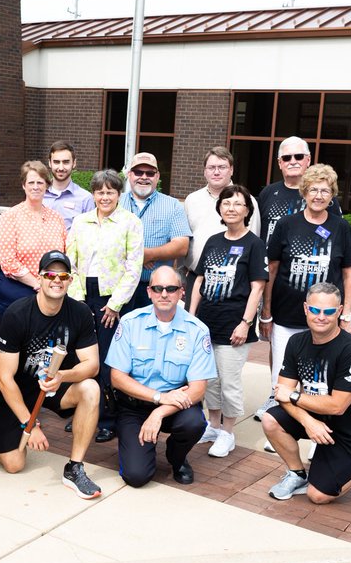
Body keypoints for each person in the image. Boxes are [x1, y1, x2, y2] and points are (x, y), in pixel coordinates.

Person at [0, 251, 102, 499]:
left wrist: (63, 375)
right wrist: (29, 423)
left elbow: (91, 365)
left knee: (91, 389)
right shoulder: (17, 314)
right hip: (16, 387)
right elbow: (4, 378)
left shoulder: (80, 313)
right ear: (39, 279)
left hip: (53, 383)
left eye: (63, 275)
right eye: (50, 274)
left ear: (70, 280)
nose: (56, 280)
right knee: (14, 464)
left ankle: (75, 468)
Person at [264, 282, 351, 503]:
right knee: (270, 420)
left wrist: (294, 396)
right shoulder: (296, 342)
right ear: (305, 309)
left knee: (318, 496)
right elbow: (281, 392)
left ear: (339, 311)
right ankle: (297, 473)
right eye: (315, 310)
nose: (321, 316)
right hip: (318, 417)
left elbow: (337, 406)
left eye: (329, 311)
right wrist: (308, 421)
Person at [259, 164, 351, 427]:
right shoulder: (286, 225)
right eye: (313, 189)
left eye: (325, 190)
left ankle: (317, 429)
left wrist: (345, 316)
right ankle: (284, 425)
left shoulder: (341, 228)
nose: (318, 195)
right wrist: (266, 312)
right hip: (286, 316)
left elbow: (348, 274)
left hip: (324, 320)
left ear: (332, 195)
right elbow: (272, 269)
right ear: (304, 192)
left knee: (320, 381)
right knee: (282, 380)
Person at [107, 266, 217, 488]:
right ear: (149, 292)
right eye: (157, 288)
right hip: (135, 406)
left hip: (175, 406)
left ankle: (177, 458)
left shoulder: (197, 330)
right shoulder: (130, 323)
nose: (164, 294)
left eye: (170, 288)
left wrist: (159, 411)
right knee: (136, 477)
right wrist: (158, 397)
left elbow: (197, 390)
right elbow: (117, 378)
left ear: (181, 292)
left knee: (194, 423)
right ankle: (138, 445)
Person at [187, 185, 266, 458]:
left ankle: (228, 433)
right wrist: (192, 317)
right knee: (209, 380)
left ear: (247, 210)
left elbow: (257, 287)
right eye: (226, 203)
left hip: (234, 326)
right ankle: (213, 425)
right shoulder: (213, 241)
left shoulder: (255, 244)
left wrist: (246, 322)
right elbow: (199, 279)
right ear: (219, 208)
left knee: (229, 381)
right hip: (207, 323)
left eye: (237, 204)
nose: (231, 208)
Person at [66, 168, 143, 443]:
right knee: (83, 358)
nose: (105, 196)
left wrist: (114, 305)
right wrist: (77, 302)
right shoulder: (80, 222)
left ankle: (108, 419)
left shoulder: (130, 222)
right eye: (100, 191)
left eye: (110, 191)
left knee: (109, 360)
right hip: (83, 297)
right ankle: (84, 411)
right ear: (94, 194)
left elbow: (134, 268)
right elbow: (70, 262)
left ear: (119, 194)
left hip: (113, 300)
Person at [118, 152, 191, 312]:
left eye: (150, 173)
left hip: (156, 291)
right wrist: (137, 256)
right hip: (118, 287)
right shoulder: (115, 202)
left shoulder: (173, 206)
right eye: (138, 172)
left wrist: (148, 254)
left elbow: (181, 246)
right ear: (129, 175)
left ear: (157, 176)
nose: (144, 177)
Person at [0, 160, 67, 313]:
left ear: (46, 185)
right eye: (31, 182)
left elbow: (64, 254)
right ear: (23, 185)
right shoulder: (11, 216)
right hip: (16, 291)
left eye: (40, 182)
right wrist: (37, 284)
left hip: (51, 290)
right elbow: (7, 260)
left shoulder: (57, 218)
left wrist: (51, 285)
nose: (35, 187)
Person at [182, 147, 258, 280]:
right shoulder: (192, 200)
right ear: (205, 171)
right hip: (194, 276)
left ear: (232, 170)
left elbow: (253, 242)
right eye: (211, 167)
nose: (216, 172)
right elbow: (184, 239)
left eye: (222, 167)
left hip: (231, 280)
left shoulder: (247, 201)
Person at [256, 137, 342, 249]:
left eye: (299, 156)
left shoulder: (322, 197)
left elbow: (335, 232)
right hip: (269, 263)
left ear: (308, 160)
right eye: (286, 158)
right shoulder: (268, 192)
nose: (293, 162)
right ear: (280, 163)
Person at [43, 140, 95, 231]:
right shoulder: (39, 194)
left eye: (66, 162)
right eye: (56, 162)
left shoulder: (85, 198)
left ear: (74, 163)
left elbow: (90, 234)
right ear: (50, 163)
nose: (61, 167)